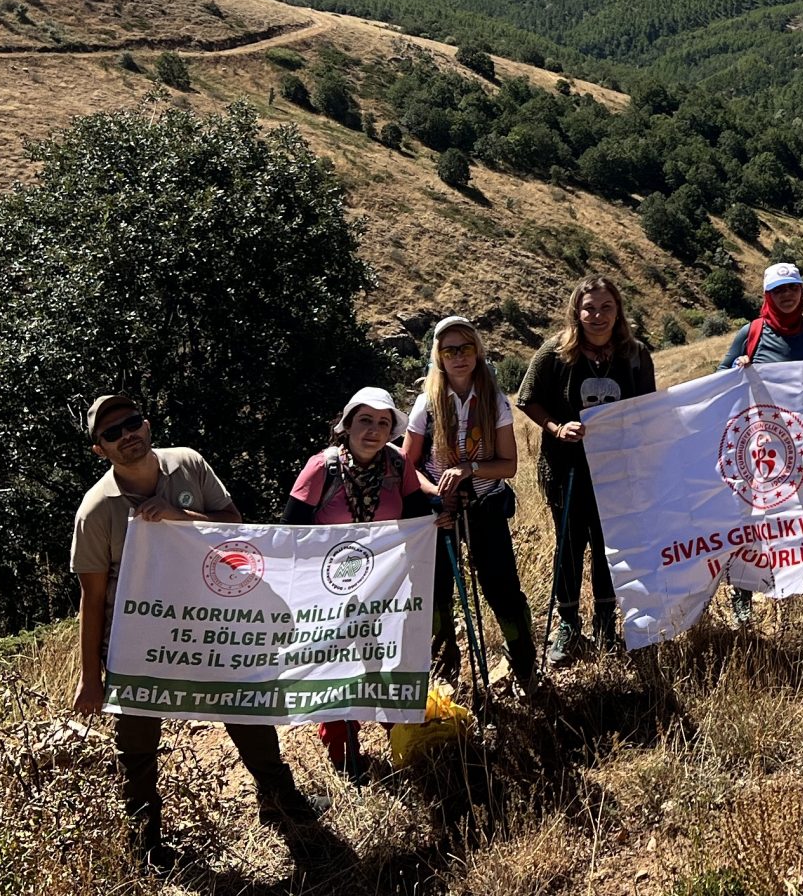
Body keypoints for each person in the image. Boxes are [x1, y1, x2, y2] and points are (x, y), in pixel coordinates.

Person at [69, 394, 326, 871]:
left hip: (211, 628)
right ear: (99, 449)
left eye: (132, 422)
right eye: (112, 433)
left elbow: (235, 526)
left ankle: (280, 801)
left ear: (147, 424)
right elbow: (92, 598)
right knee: (137, 746)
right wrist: (91, 678)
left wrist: (179, 517)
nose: (127, 435)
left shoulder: (188, 463)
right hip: (137, 647)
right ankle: (146, 842)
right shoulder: (96, 510)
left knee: (247, 712)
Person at [283, 387, 441, 785]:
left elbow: (415, 514)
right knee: (335, 669)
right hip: (328, 591)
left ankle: (398, 732)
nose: (373, 430)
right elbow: (291, 530)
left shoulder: (398, 464)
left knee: (385, 659)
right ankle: (344, 751)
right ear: (347, 425)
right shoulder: (322, 468)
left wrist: (437, 518)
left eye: (383, 423)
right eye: (365, 420)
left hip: (384, 588)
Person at [517, 276, 656, 667]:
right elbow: (527, 399)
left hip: (616, 471)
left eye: (606, 307)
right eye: (589, 308)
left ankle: (606, 624)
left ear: (618, 310)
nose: (597, 316)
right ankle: (568, 624)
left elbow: (648, 408)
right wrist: (557, 428)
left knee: (609, 547)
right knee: (569, 546)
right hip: (566, 470)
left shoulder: (635, 354)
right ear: (576, 312)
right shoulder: (555, 352)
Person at [400, 315, 539, 691]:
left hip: (486, 505)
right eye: (450, 351)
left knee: (503, 590)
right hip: (439, 513)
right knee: (436, 594)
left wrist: (468, 469)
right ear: (439, 357)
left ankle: (524, 663)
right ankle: (443, 673)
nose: (459, 357)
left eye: (466, 348)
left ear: (477, 352)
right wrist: (435, 496)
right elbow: (407, 466)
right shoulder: (427, 404)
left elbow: (508, 466)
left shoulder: (494, 401)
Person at [717, 262, 803, 622]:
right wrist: (737, 367)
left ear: (801, 291)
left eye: (792, 288)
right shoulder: (751, 334)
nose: (787, 295)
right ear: (767, 296)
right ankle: (743, 593)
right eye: (779, 290)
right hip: (764, 445)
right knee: (755, 517)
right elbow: (719, 378)